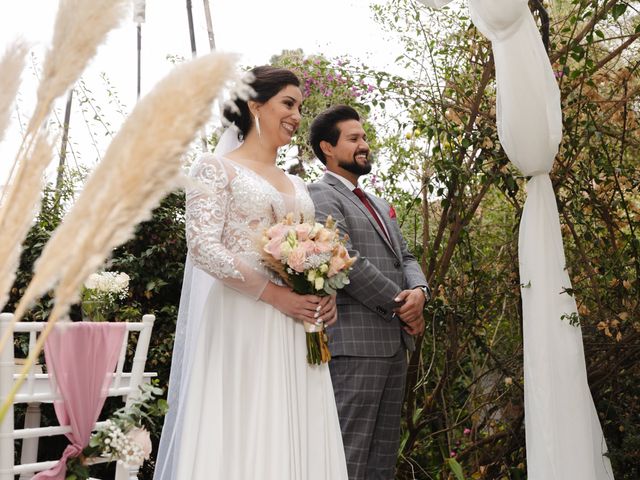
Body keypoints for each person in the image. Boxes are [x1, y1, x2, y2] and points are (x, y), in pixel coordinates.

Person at [154, 67, 348, 480]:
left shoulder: (297, 184)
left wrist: (324, 291)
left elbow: (314, 247)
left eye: (299, 106)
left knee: (297, 424)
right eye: (288, 104)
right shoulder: (214, 168)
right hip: (241, 321)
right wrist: (275, 295)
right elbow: (203, 247)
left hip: (298, 329)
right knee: (244, 426)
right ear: (255, 105)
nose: (297, 115)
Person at [308, 105, 430, 480]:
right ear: (328, 148)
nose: (364, 144)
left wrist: (420, 293)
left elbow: (405, 256)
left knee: (382, 457)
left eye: (364, 137)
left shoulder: (377, 203)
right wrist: (400, 305)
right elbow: (344, 258)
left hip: (394, 345)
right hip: (356, 346)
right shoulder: (319, 195)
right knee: (349, 454)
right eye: (354, 138)